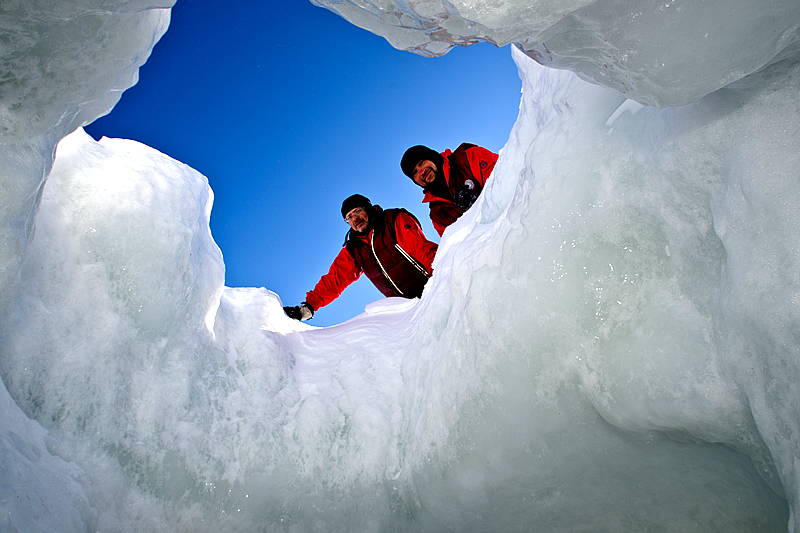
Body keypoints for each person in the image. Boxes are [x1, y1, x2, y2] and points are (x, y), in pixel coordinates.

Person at [283, 194, 438, 321]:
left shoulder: (392, 220)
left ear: (368, 208)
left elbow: (422, 250)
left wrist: (443, 275)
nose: (354, 218)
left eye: (357, 211)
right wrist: (309, 307)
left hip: (437, 288)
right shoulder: (355, 249)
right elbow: (335, 279)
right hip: (409, 311)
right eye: (349, 217)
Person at [400, 143, 498, 236]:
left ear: (431, 157)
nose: (421, 172)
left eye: (421, 163)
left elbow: (506, 179)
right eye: (415, 173)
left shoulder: (469, 157)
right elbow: (456, 248)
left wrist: (479, 200)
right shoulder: (438, 215)